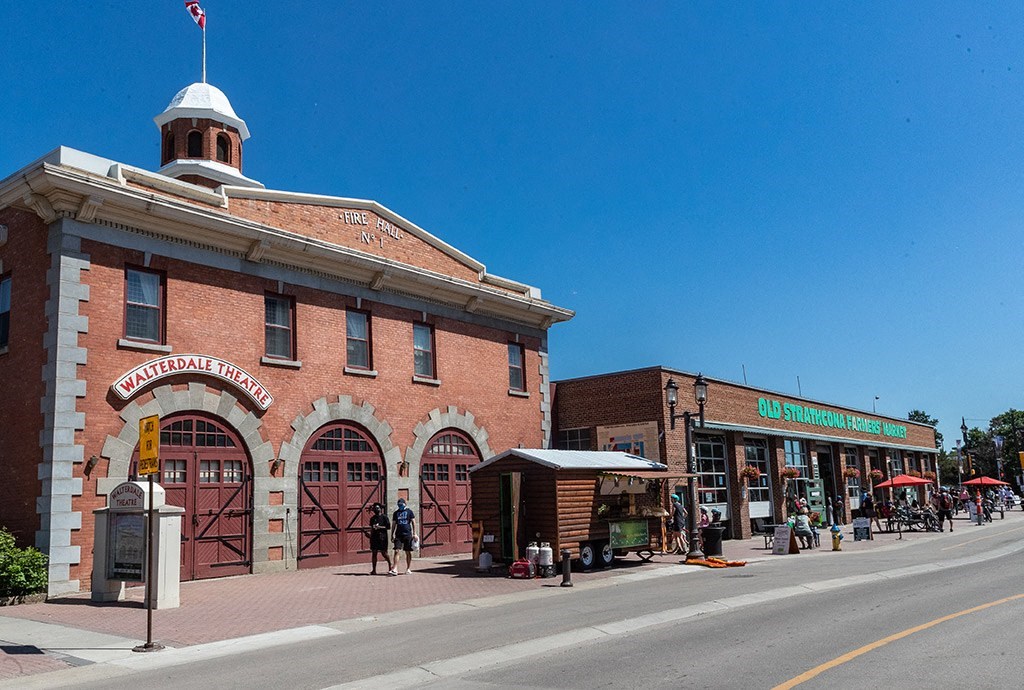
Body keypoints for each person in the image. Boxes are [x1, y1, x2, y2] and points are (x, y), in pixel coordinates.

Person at [389, 497, 417, 575]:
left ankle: (408, 568)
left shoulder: (409, 512)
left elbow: (413, 522)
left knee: (407, 551)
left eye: (401, 504)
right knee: (396, 550)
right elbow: (394, 524)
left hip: (408, 534)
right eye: (399, 505)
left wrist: (414, 533)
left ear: (405, 504)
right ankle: (395, 568)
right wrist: (392, 535)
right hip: (398, 535)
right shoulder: (396, 513)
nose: (400, 506)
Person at [368, 502, 392, 575]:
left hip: (382, 537)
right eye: (375, 508)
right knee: (374, 553)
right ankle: (374, 570)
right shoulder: (372, 518)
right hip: (374, 537)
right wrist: (370, 536)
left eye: (377, 508)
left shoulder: (384, 517)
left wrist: (379, 527)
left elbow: (388, 527)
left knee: (384, 553)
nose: (376, 509)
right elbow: (372, 527)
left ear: (380, 509)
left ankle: (390, 566)